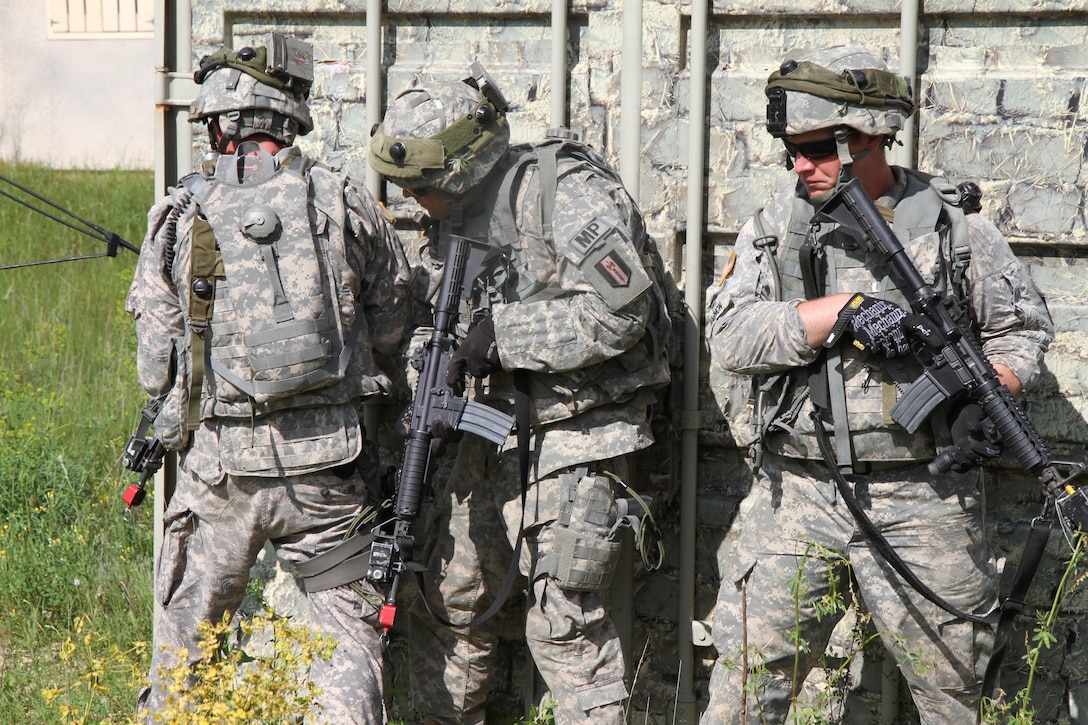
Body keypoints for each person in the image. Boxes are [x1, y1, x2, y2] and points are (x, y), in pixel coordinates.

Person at [702, 45, 1053, 723]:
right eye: (790, 150)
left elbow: (1022, 330)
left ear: (865, 139)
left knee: (958, 693)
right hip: (799, 493)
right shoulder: (777, 228)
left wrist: (995, 388)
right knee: (745, 691)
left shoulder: (956, 230)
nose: (798, 165)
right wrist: (838, 313)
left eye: (812, 148)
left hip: (926, 496)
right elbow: (731, 337)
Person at [367, 64, 671, 724]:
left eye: (424, 185)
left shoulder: (562, 191)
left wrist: (502, 335)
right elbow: (427, 322)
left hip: (574, 437)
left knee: (566, 632)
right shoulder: (448, 218)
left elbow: (623, 309)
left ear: (463, 165)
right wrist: (431, 365)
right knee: (445, 608)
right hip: (479, 440)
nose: (415, 200)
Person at [126, 34, 411, 723]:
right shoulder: (344, 201)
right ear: (289, 118)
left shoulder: (178, 217)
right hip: (329, 472)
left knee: (186, 659)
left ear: (222, 121)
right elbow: (395, 325)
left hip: (220, 476)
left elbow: (154, 369)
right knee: (347, 647)